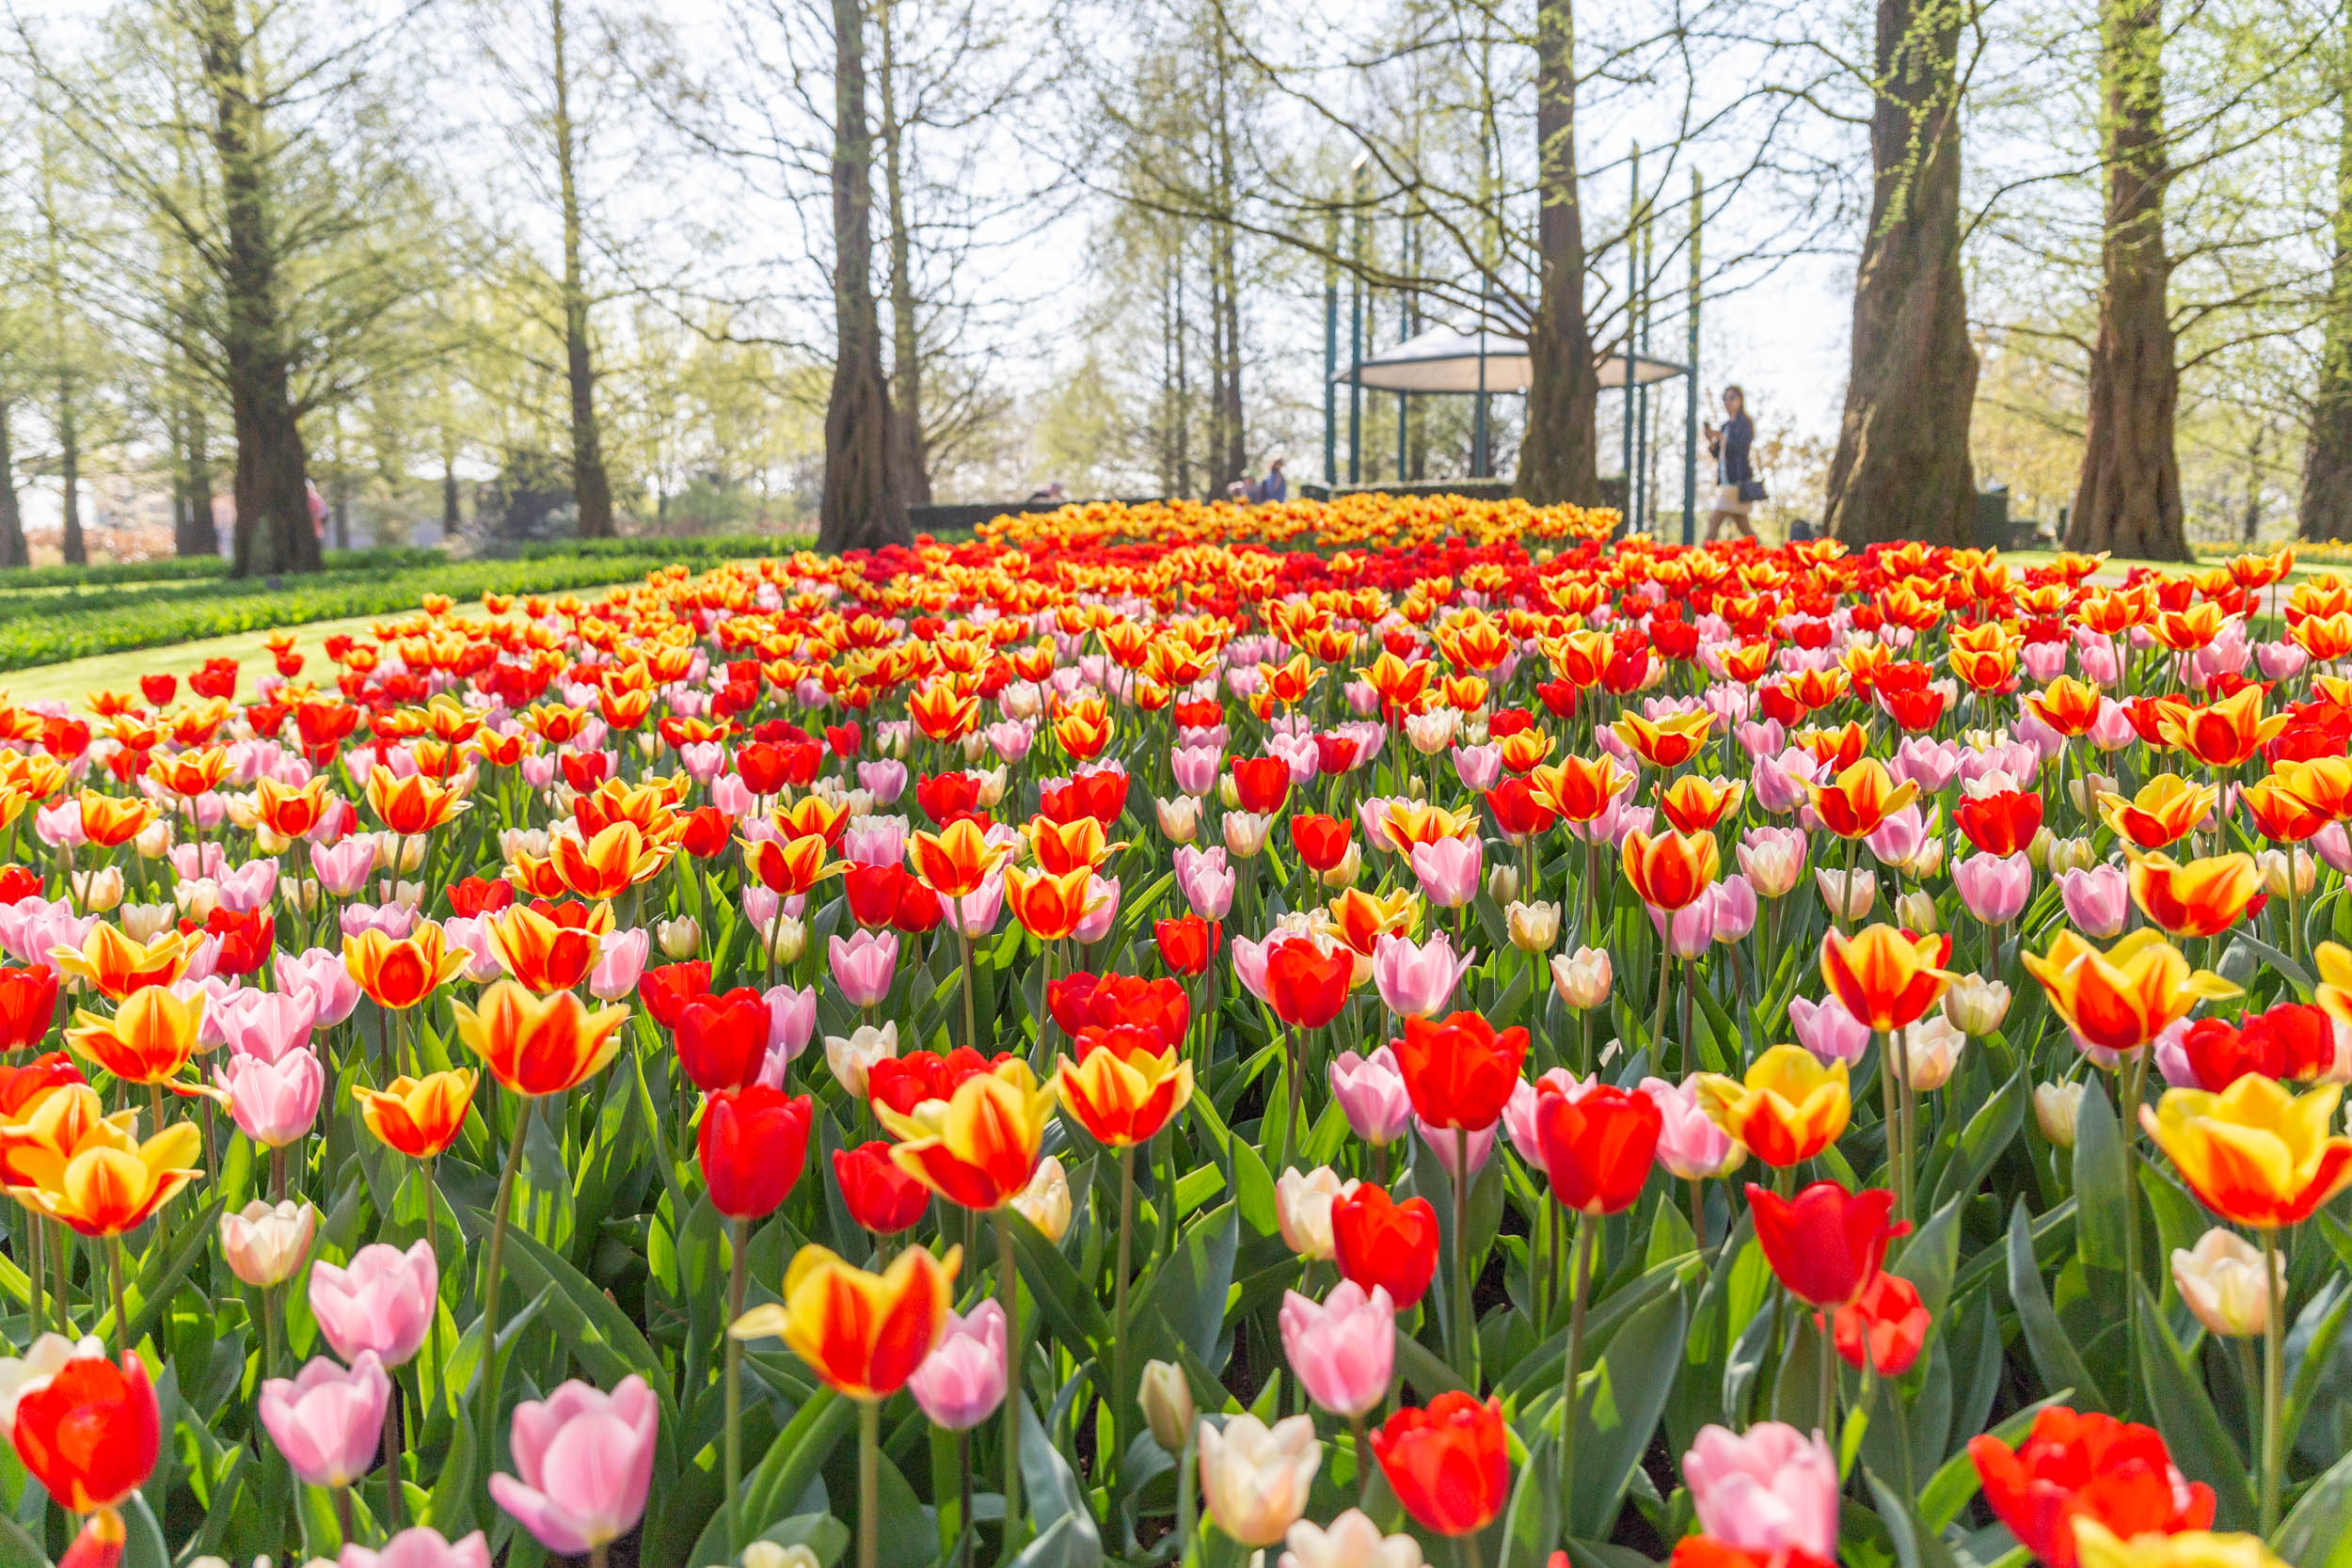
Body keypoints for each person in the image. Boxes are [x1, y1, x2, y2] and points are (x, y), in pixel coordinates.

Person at [1702, 386, 1758, 543]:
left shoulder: (1745, 423)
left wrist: (1720, 437)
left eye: (1731, 398)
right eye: (1725, 399)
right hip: (1726, 481)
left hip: (1738, 483)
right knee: (1744, 527)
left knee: (1714, 521)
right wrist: (1711, 441)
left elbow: (1741, 447)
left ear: (1740, 400)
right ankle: (1764, 554)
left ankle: (1699, 559)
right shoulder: (1725, 426)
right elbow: (1718, 454)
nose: (1728, 402)